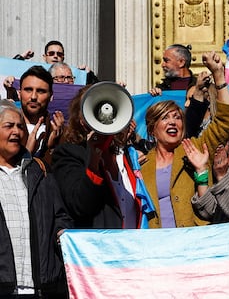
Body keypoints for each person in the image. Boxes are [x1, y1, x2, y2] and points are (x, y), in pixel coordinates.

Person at [140, 51, 229, 228]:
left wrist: (218, 75)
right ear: (152, 128)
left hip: (193, 245)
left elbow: (225, 121)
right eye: (165, 118)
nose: (172, 122)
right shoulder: (141, 163)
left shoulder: (196, 148)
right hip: (154, 247)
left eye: (177, 117)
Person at [0, 100, 73, 297]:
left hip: (41, 287)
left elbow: (61, 216)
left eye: (20, 126)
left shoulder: (39, 171)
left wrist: (60, 232)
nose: (16, 131)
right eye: (9, 126)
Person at [51, 84, 146, 229]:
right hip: (101, 247)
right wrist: (93, 160)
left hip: (133, 245)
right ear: (81, 120)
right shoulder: (68, 153)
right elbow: (79, 206)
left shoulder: (126, 155)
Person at [19, 66, 65, 163]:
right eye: (28, 90)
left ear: (51, 96)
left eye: (41, 91)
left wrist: (52, 148)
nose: (33, 97)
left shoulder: (63, 133)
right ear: (19, 94)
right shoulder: (4, 129)